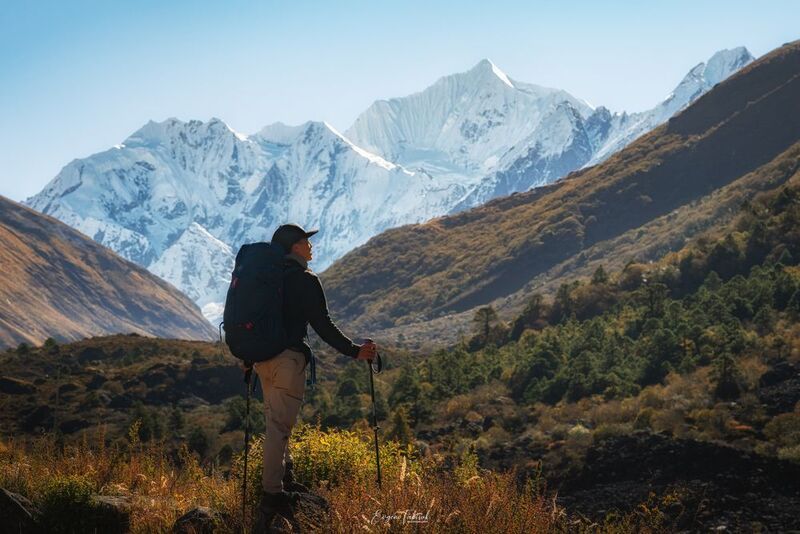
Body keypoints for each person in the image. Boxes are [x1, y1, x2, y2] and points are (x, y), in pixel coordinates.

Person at [252, 223, 377, 530]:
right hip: (287, 360)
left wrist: (246, 357)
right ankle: (272, 496)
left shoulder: (266, 278)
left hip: (261, 361)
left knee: (275, 422)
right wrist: (354, 351)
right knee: (279, 428)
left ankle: (284, 479)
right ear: (295, 246)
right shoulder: (304, 280)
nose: (311, 246)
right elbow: (323, 324)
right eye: (306, 241)